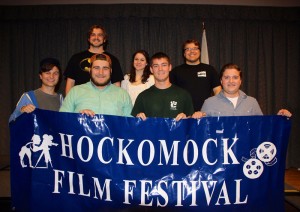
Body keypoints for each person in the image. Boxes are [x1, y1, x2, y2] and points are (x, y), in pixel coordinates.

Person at [192, 63, 292, 118]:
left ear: (240, 81)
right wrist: (196, 118)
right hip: (220, 154)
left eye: (235, 77)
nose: (231, 81)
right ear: (221, 81)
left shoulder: (252, 102)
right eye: (226, 77)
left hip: (246, 154)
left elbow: (262, 128)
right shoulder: (209, 102)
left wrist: (280, 119)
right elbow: (202, 132)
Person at [60, 53, 132, 117]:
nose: (101, 72)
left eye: (105, 68)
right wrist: (78, 117)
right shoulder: (74, 92)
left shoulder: (123, 95)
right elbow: (62, 120)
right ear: (90, 70)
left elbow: (130, 126)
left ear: (111, 71)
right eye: (96, 68)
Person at [131, 52, 194, 121]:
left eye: (164, 65)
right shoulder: (143, 96)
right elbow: (135, 126)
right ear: (151, 69)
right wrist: (138, 119)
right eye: (156, 66)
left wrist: (187, 119)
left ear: (170, 67)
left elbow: (191, 125)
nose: (160, 69)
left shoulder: (183, 94)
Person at [64, 24, 124, 95]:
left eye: (100, 35)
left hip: (105, 102)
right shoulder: (76, 58)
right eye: (93, 35)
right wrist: (69, 102)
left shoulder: (112, 60)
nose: (96, 37)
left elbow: (116, 85)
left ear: (104, 39)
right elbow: (70, 83)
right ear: (88, 39)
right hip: (80, 102)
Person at [170, 39, 222, 112]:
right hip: (184, 115)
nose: (192, 51)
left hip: (206, 114)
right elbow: (171, 94)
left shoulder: (210, 70)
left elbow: (217, 90)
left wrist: (214, 108)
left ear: (200, 51)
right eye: (188, 49)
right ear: (184, 53)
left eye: (195, 48)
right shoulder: (176, 71)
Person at [9, 58, 63, 122]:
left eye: (55, 73)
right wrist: (21, 110)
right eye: (47, 73)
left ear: (59, 76)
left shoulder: (61, 99)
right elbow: (11, 121)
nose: (51, 76)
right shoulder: (28, 97)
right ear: (40, 76)